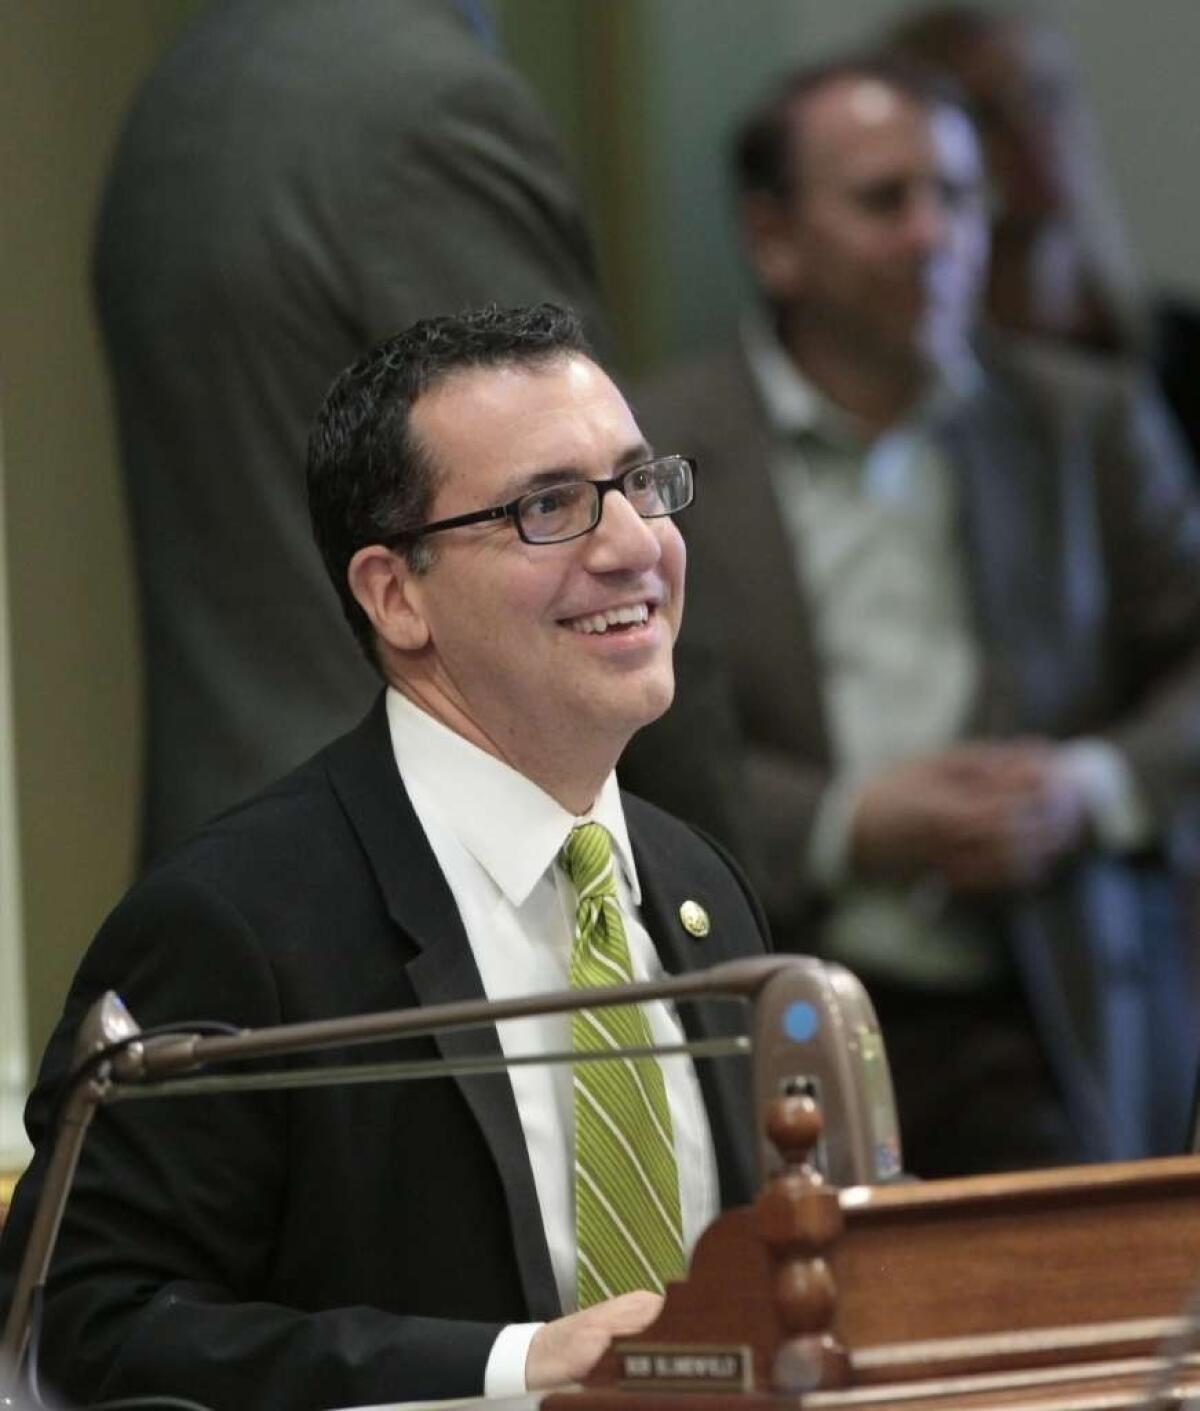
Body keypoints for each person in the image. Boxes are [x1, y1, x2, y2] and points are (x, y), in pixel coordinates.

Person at [0, 305, 769, 1410]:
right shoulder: (232, 923)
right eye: (551, 505)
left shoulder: (698, 886)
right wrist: (516, 1368)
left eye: (640, 483)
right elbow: (79, 1330)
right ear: (394, 594)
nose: (635, 543)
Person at [620, 56, 1200, 1178]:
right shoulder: (657, 450)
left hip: (1050, 999)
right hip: (784, 989)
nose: (936, 235)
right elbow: (622, 728)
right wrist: (846, 822)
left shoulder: (1084, 422)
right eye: (887, 200)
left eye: (961, 197)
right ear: (774, 237)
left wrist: (1092, 786)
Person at [93, 0, 609, 864]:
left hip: (232, 852)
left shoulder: (180, 95)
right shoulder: (428, 107)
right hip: (413, 877)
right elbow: (586, 514)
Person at [883, 3, 1200, 465]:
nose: (1029, 132)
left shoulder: (1184, 354)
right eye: (986, 113)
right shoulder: (917, 376)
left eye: (1046, 97)